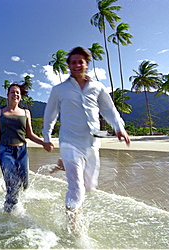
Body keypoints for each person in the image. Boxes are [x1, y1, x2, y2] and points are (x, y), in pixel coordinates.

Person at [42, 46, 130, 231]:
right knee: (77, 189)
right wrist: (47, 136)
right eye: (73, 62)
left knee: (90, 186)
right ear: (68, 65)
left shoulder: (97, 87)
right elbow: (50, 114)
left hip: (91, 143)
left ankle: (63, 164)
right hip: (69, 142)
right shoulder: (59, 89)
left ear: (86, 64)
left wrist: (119, 128)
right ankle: (74, 230)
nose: (76, 65)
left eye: (80, 62)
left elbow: (109, 110)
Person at [0, 83, 54, 212]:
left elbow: (29, 134)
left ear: (20, 96)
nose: (15, 94)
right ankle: (9, 214)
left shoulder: (26, 112)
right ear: (7, 95)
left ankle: (16, 200)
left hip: (22, 152)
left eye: (17, 93)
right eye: (12, 92)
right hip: (5, 151)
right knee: (12, 185)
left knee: (25, 183)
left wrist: (44, 143)